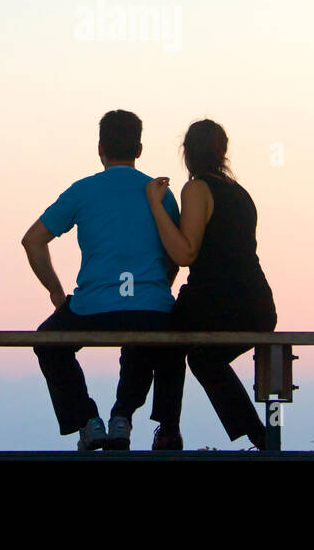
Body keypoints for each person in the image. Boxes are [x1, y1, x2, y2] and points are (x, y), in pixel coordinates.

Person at [22, 109, 181, 451]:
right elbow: (175, 254)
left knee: (49, 341)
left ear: (100, 148)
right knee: (144, 331)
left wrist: (55, 292)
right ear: (139, 149)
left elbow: (32, 240)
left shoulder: (83, 191)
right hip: (152, 306)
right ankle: (122, 416)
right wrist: (155, 288)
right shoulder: (161, 193)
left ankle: (87, 421)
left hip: (93, 305)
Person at [144, 119, 277, 450]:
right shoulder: (240, 193)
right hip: (259, 307)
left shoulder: (196, 188)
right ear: (223, 151)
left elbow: (186, 253)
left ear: (187, 152)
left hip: (218, 302)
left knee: (168, 334)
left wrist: (156, 206)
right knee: (205, 360)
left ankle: (169, 430)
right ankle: (258, 434)